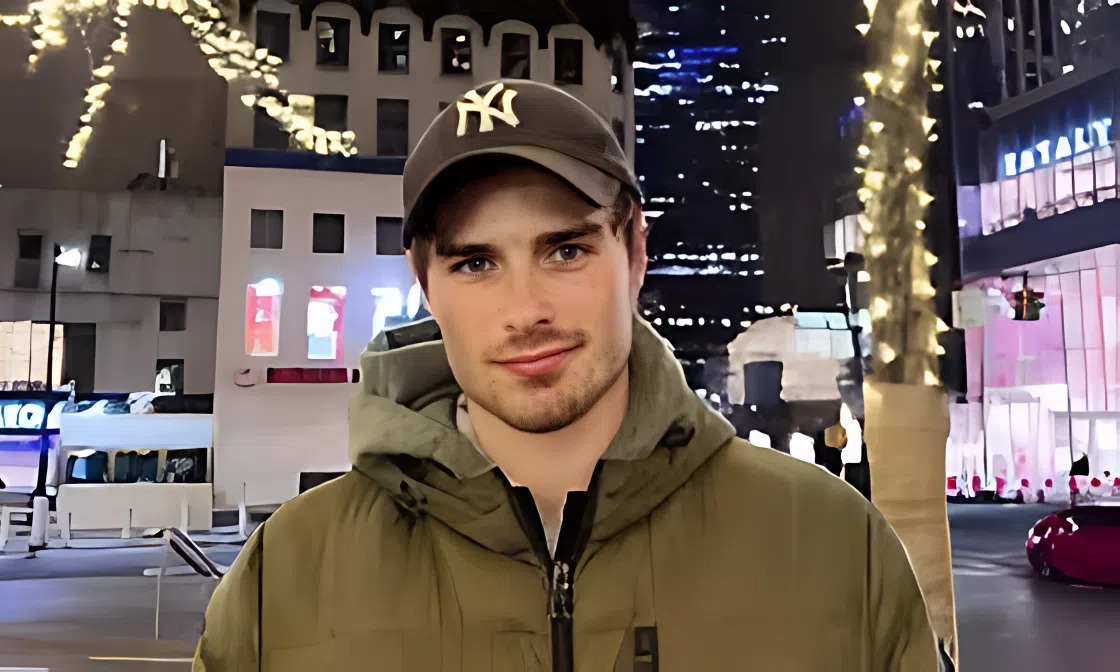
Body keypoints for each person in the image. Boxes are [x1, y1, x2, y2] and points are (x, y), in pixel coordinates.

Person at [194, 80, 938, 671]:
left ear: (635, 252)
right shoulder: (284, 576)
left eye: (566, 251)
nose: (525, 311)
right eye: (475, 263)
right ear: (425, 283)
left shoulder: (834, 547)